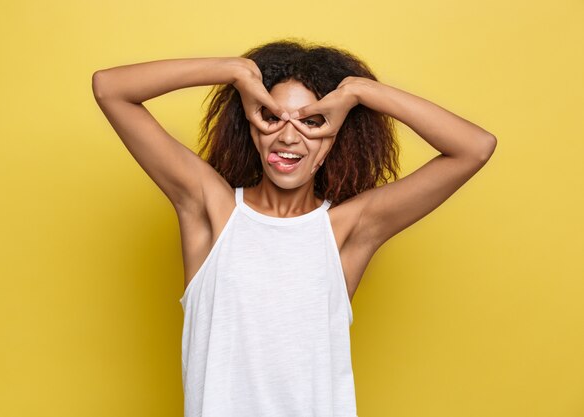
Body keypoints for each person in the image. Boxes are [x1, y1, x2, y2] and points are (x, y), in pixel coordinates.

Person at [91, 39, 497, 417]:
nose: (288, 136)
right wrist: (234, 71)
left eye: (312, 121)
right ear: (250, 123)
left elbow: (474, 147)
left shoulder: (348, 229)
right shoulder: (211, 211)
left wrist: (359, 92)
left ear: (337, 134)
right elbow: (110, 88)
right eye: (271, 117)